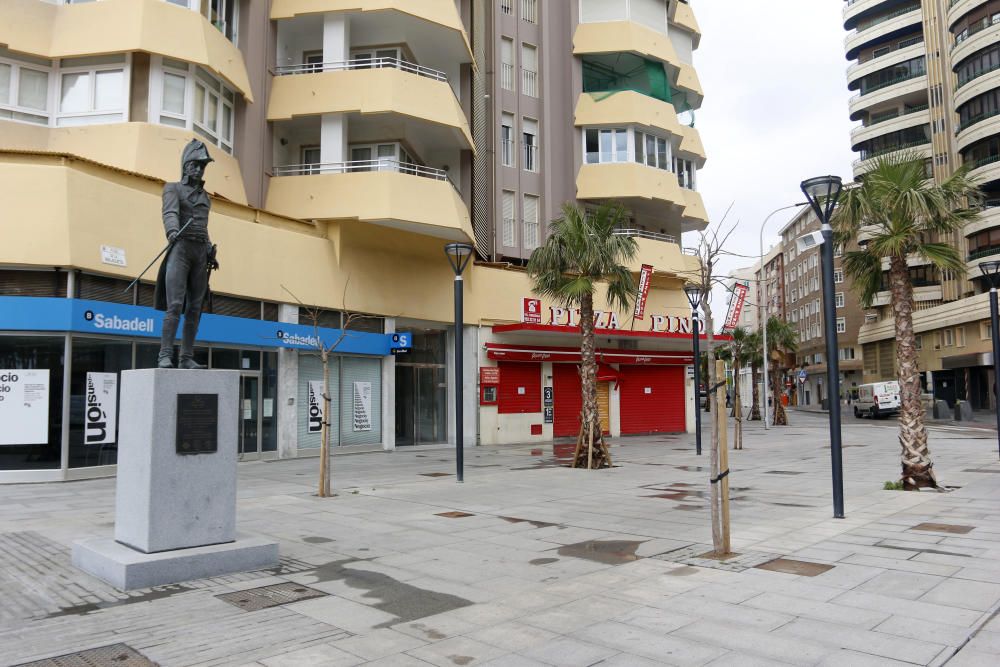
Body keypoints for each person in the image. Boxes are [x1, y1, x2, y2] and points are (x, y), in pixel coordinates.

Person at [154, 140, 219, 369]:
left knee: (195, 308)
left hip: (200, 252)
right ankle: (164, 355)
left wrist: (210, 249)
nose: (200, 170)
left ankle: (186, 357)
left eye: (203, 166)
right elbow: (170, 213)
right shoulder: (172, 188)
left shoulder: (207, 198)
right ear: (186, 165)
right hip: (180, 249)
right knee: (175, 305)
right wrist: (172, 231)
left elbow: (204, 226)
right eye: (196, 165)